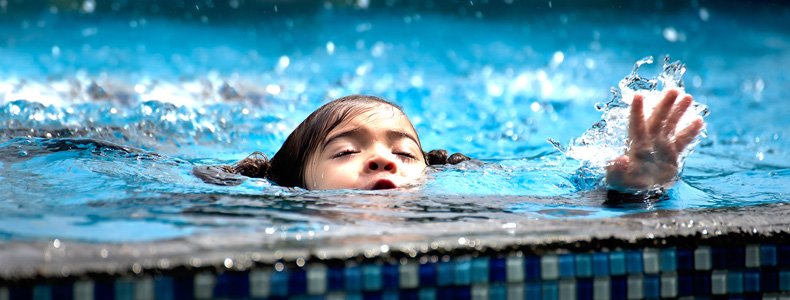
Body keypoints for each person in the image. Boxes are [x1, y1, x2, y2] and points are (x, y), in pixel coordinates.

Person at [194, 90, 704, 192]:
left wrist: (636, 187)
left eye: (403, 152)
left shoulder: (463, 211)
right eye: (347, 150)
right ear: (294, 184)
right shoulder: (264, 216)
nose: (380, 160)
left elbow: (571, 212)